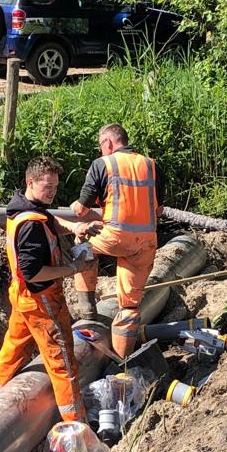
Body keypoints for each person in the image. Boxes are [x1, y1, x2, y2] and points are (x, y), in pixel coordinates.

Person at [0, 156, 102, 423]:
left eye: (55, 187)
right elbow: (34, 272)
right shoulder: (30, 226)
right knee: (63, 365)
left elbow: (50, 221)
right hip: (42, 302)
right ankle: (77, 428)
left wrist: (76, 226)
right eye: (47, 187)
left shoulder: (24, 207)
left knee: (13, 350)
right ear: (31, 182)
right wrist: (74, 269)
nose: (52, 193)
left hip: (23, 298)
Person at [70, 124, 164, 359]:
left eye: (101, 146)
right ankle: (121, 362)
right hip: (146, 241)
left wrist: (76, 208)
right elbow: (159, 210)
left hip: (113, 237)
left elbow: (82, 209)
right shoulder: (151, 166)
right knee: (130, 306)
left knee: (82, 239)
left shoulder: (103, 164)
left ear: (108, 143)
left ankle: (88, 310)